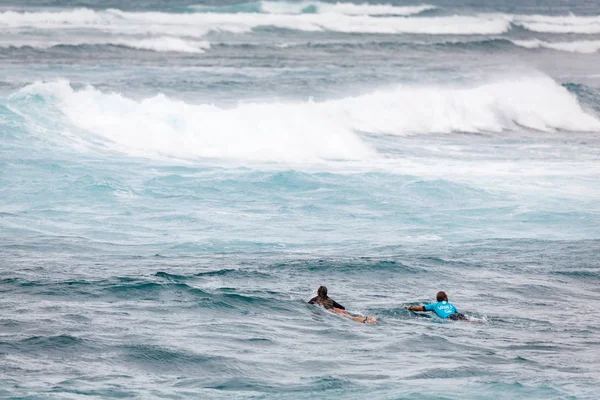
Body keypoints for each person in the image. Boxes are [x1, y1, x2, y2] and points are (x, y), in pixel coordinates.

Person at [308, 286, 376, 324]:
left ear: (318, 292)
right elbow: (342, 307)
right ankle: (370, 318)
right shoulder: (330, 299)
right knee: (350, 316)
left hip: (332, 311)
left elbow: (308, 305)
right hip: (336, 310)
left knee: (351, 318)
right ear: (326, 292)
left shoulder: (316, 299)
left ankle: (365, 320)